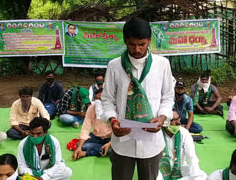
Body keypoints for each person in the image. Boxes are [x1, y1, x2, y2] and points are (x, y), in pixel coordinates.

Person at [102, 17, 175, 180]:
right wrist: (113, 121)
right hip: (122, 141)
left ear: (149, 41)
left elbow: (168, 97)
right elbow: (107, 100)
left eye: (142, 44)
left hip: (151, 141)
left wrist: (162, 118)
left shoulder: (162, 64)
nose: (137, 49)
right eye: (132, 44)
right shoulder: (114, 66)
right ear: (125, 40)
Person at [156, 110, 207, 180]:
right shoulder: (157, 134)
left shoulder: (184, 133)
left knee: (201, 175)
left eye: (178, 119)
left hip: (180, 167)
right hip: (161, 168)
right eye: (174, 120)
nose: (178, 122)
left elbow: (192, 157)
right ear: (164, 122)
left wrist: (195, 174)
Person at [72, 89, 112, 160]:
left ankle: (87, 153)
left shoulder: (113, 109)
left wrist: (110, 144)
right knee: (80, 145)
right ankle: (101, 149)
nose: (99, 101)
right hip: (97, 137)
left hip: (111, 139)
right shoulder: (91, 108)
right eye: (97, 99)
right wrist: (79, 148)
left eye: (101, 98)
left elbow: (120, 132)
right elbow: (85, 128)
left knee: (113, 149)